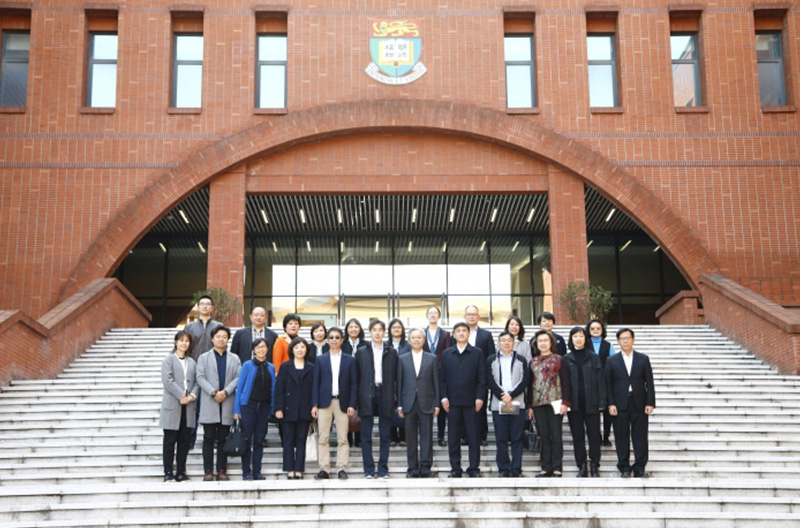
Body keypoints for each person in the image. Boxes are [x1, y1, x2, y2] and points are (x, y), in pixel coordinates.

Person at [606, 328, 656, 478]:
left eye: (628, 338)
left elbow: (650, 382)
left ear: (633, 340)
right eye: (622, 339)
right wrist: (611, 403)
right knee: (621, 435)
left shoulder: (643, 359)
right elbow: (607, 384)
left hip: (639, 403)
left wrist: (650, 402)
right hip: (619, 404)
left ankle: (640, 467)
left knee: (640, 435)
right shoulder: (611, 360)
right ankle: (624, 467)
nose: (625, 341)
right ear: (618, 342)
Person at [440, 322, 487, 478]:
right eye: (458, 331)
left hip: (472, 402)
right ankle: (456, 468)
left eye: (464, 331)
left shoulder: (477, 353)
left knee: (474, 436)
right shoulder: (447, 354)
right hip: (452, 403)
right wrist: (444, 396)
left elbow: (482, 378)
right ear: (453, 334)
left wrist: (480, 397)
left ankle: (474, 468)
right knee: (453, 437)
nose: (461, 333)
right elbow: (442, 379)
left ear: (468, 334)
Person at [311, 327, 358, 480]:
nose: (334, 340)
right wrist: (314, 404)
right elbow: (315, 383)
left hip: (342, 403)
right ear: (327, 340)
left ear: (341, 340)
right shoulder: (320, 359)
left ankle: (341, 468)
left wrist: (352, 404)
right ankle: (324, 468)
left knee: (342, 438)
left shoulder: (350, 360)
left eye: (337, 337)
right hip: (324, 403)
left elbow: (353, 384)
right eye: (331, 337)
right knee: (323, 437)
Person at [196, 326, 241, 481]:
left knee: (223, 438)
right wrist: (214, 392)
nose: (221, 339)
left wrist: (226, 392)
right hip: (210, 401)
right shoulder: (203, 358)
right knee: (208, 438)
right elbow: (200, 377)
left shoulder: (234, 358)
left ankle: (221, 469)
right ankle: (208, 470)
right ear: (212, 339)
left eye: (224, 337)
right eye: (218, 336)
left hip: (227, 401)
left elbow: (238, 377)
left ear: (227, 339)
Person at [355, 319, 398, 478]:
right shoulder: (361, 351)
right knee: (366, 435)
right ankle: (368, 470)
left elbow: (396, 377)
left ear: (384, 333)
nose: (378, 333)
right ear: (370, 332)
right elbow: (356, 377)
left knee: (385, 435)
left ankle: (382, 469)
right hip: (367, 394)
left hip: (385, 394)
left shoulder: (391, 352)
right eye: (375, 330)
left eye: (380, 330)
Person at [563, 326, 606, 478]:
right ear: (571, 339)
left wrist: (602, 401)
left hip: (592, 403)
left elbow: (601, 380)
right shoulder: (566, 359)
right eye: (575, 336)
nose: (578, 339)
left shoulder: (593, 357)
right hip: (574, 405)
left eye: (581, 336)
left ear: (585, 339)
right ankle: (581, 465)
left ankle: (594, 464)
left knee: (594, 435)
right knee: (578, 436)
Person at [397, 328, 439, 478]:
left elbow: (436, 383)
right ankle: (413, 468)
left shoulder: (432, 358)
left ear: (424, 340)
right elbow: (400, 383)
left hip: (427, 402)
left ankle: (426, 467)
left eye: (419, 337)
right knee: (411, 437)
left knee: (427, 436)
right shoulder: (402, 359)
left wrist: (437, 404)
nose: (416, 340)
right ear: (409, 340)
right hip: (408, 403)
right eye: (413, 337)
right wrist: (400, 404)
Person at [487, 331, 530, 478]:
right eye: (503, 340)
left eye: (509, 340)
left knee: (517, 437)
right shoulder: (491, 360)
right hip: (498, 403)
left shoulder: (522, 360)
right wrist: (502, 395)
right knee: (501, 438)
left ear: (514, 343)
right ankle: (504, 469)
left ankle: (517, 469)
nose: (506, 343)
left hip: (517, 402)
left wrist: (511, 395)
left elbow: (525, 380)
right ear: (498, 343)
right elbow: (490, 380)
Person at [528, 329, 571, 478]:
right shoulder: (533, 361)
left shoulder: (559, 359)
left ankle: (557, 468)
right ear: (536, 344)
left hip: (556, 402)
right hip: (538, 403)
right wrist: (529, 407)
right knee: (543, 436)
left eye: (546, 340)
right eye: (540, 341)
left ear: (551, 342)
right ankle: (545, 467)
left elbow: (566, 381)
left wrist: (566, 402)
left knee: (556, 435)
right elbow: (529, 385)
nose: (543, 343)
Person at [233, 337, 276, 480]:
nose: (261, 349)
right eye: (258, 347)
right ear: (253, 350)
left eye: (263, 347)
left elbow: (273, 388)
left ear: (267, 349)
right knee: (247, 439)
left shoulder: (271, 367)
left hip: (264, 407)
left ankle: (257, 471)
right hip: (248, 406)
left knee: (259, 440)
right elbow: (239, 388)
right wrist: (236, 409)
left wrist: (272, 407)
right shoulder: (247, 365)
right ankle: (246, 471)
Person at [159, 330, 199, 482]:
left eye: (187, 341)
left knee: (184, 441)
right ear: (176, 342)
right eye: (181, 340)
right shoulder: (168, 359)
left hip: (188, 407)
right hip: (172, 405)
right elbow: (167, 380)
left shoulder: (192, 362)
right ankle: (168, 472)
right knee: (169, 441)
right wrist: (181, 395)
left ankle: (181, 471)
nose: (184, 343)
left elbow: (197, 382)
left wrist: (192, 396)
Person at [183, 294, 222, 448]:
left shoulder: (218, 326)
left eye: (208, 304)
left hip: (213, 369)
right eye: (202, 304)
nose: (205, 306)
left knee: (212, 405)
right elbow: (184, 346)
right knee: (193, 405)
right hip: (193, 368)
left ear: (212, 308)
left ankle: (212, 439)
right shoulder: (190, 327)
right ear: (198, 307)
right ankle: (190, 439)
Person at [274, 337, 315, 479]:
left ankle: (299, 469)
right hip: (287, 408)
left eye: (302, 347)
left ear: (306, 350)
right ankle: (289, 468)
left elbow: (314, 389)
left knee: (301, 439)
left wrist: (314, 406)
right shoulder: (285, 367)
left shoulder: (311, 367)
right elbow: (279, 388)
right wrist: (278, 408)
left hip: (305, 408)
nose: (300, 350)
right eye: (296, 347)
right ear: (292, 349)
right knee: (288, 439)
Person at [463, 305, 495, 446]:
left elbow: (491, 356)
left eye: (474, 314)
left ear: (478, 316)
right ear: (465, 316)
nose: (471, 316)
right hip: (462, 378)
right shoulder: (459, 333)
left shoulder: (486, 335)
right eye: (469, 314)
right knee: (464, 407)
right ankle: (464, 436)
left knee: (480, 407)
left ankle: (482, 436)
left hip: (480, 376)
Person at [422, 305, 452, 447]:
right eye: (430, 313)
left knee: (441, 404)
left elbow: (447, 352)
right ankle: (426, 436)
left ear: (439, 316)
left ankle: (440, 436)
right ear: (427, 316)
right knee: (425, 404)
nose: (433, 315)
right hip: (425, 372)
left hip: (441, 372)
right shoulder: (422, 333)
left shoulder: (445, 334)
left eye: (435, 313)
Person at [586, 318, 616, 446]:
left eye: (598, 328)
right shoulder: (585, 344)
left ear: (602, 330)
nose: (595, 330)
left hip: (606, 381)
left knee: (607, 410)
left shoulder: (608, 345)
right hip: (590, 382)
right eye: (592, 328)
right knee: (593, 411)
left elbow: (613, 362)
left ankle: (606, 436)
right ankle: (596, 435)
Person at [388, 318, 410, 446]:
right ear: (390, 330)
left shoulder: (408, 345)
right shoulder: (386, 345)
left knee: (404, 408)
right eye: (393, 327)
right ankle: (392, 436)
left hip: (405, 380)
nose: (396, 329)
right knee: (390, 409)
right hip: (389, 382)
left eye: (398, 327)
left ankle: (403, 436)